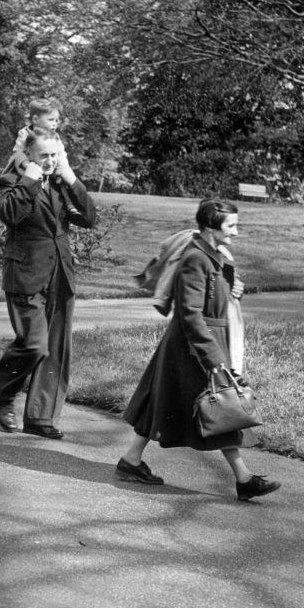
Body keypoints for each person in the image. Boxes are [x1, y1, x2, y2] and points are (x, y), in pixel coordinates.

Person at [116, 198, 280, 501]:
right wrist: (214, 358)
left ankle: (131, 461)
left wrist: (235, 289)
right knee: (221, 404)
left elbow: (221, 292)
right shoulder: (196, 258)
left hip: (202, 342)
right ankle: (244, 479)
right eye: (231, 226)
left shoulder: (217, 255)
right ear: (210, 226)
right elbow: (190, 313)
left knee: (166, 402)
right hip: (193, 345)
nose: (236, 232)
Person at [0, 126, 96, 438]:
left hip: (60, 275)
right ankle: (3, 387)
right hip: (25, 275)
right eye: (43, 156)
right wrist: (30, 180)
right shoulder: (11, 181)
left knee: (56, 348)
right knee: (35, 344)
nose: (49, 161)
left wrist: (72, 178)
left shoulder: (62, 183)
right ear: (29, 156)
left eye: (54, 155)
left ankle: (41, 417)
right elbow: (9, 213)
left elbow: (89, 218)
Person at [12, 96, 72, 178]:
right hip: (27, 170)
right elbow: (18, 152)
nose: (55, 123)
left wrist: (63, 168)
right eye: (51, 120)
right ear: (35, 119)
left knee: (63, 172)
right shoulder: (25, 134)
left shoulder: (54, 137)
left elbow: (61, 153)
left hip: (49, 169)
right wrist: (27, 165)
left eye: (56, 120)